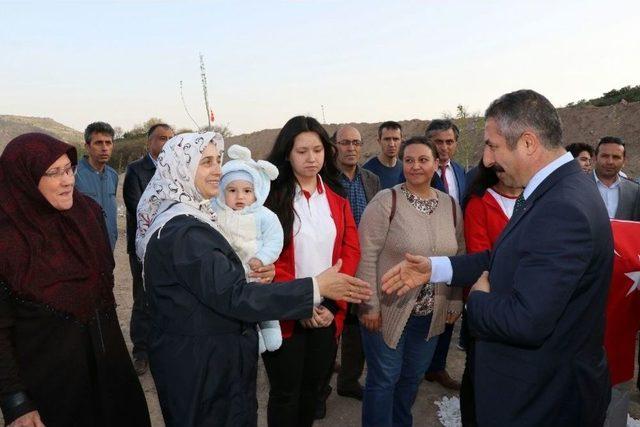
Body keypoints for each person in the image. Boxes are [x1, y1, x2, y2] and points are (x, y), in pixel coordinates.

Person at [382, 90, 614, 426]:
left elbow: (526, 321)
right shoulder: (555, 190)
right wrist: (434, 267)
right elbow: (504, 257)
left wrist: (476, 301)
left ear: (528, 143)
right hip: (528, 387)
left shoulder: (562, 207)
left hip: (540, 400)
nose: (487, 160)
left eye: (492, 145)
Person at [135, 131, 370, 427]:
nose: (218, 170)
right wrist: (315, 287)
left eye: (218, 160)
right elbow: (235, 296)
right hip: (203, 367)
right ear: (180, 169)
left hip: (206, 358)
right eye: (205, 162)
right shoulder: (185, 233)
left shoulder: (195, 216)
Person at [0, 133, 151, 427]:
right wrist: (16, 402)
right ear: (23, 179)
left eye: (68, 169)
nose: (68, 180)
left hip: (111, 373)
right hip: (51, 390)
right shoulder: (8, 242)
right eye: (54, 172)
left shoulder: (88, 216)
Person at [357, 136, 464, 427]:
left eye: (423, 160)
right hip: (387, 311)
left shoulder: (450, 207)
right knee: (384, 380)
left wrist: (455, 299)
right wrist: (369, 305)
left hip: (430, 314)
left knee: (412, 378)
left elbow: (459, 258)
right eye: (409, 160)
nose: (415, 166)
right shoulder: (386, 201)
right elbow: (366, 256)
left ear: (436, 163)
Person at [263, 116, 361, 427]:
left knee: (313, 392)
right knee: (284, 393)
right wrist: (302, 300)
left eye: (317, 150)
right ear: (287, 154)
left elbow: (350, 251)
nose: (311, 158)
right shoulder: (270, 198)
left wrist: (331, 305)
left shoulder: (335, 197)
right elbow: (266, 261)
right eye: (302, 151)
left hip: (327, 314)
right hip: (285, 315)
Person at [459, 156, 521, 426]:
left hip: (522, 304)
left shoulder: (535, 200)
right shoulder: (479, 203)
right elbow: (479, 255)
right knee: (479, 372)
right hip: (488, 302)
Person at [211, 144, 284, 353]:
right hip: (232, 276)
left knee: (264, 302)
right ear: (222, 192)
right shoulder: (215, 213)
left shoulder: (264, 215)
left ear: (256, 193)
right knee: (243, 308)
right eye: (232, 190)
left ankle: (271, 327)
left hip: (257, 271)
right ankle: (255, 336)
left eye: (247, 191)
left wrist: (262, 258)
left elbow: (274, 240)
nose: (240, 196)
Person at [332, 125, 380, 401]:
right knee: (329, 327)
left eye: (356, 143)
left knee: (355, 325)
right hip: (334, 262)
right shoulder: (326, 179)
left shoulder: (371, 179)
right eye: (345, 142)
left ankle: (348, 381)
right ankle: (319, 391)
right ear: (335, 146)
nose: (351, 148)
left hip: (365, 262)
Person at [123, 122, 174, 376]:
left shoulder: (177, 169)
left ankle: (163, 348)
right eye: (161, 138)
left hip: (170, 246)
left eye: (170, 138)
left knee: (166, 296)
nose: (166, 143)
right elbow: (136, 207)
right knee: (142, 299)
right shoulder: (135, 170)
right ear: (149, 142)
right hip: (143, 246)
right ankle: (141, 352)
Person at [423, 119, 467, 390]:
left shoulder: (460, 171)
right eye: (438, 141)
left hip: (453, 251)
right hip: (424, 251)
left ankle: (436, 367)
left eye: (449, 141)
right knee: (422, 311)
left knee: (449, 309)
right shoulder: (417, 169)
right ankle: (417, 366)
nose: (443, 147)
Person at [75, 121, 119, 250]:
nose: (104, 148)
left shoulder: (113, 175)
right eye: (98, 143)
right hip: (83, 248)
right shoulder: (73, 175)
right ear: (87, 146)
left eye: (108, 143)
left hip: (108, 248)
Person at [592, 136, 640, 220]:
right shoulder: (578, 186)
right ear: (595, 158)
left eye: (616, 157)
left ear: (624, 161)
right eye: (605, 156)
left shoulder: (635, 191)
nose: (610, 162)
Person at [363, 121, 404, 189]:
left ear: (401, 141)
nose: (391, 144)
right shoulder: (367, 172)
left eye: (396, 139)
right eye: (387, 139)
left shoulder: (405, 170)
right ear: (379, 141)